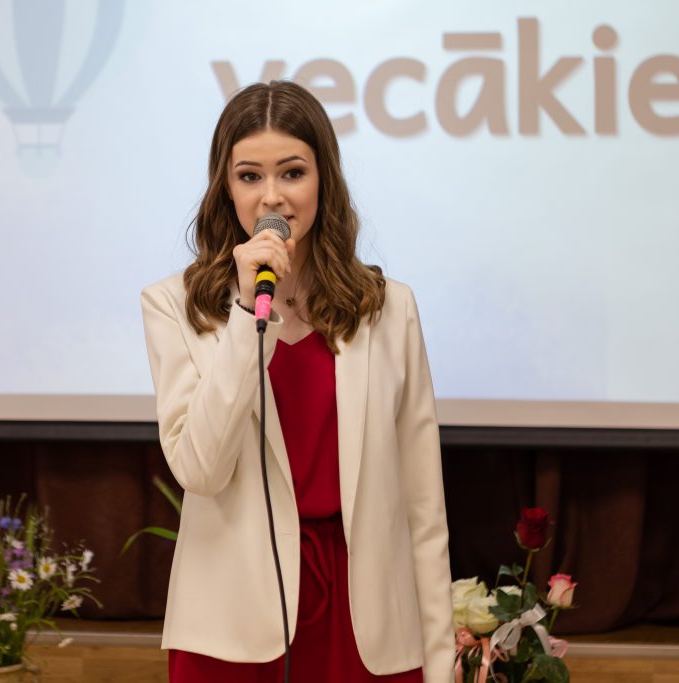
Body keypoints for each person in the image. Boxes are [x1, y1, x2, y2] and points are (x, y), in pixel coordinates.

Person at [141, 81, 454, 682]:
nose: (272, 196)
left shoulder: (389, 308)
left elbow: (423, 507)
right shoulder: (173, 306)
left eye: (292, 172)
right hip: (234, 621)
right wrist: (244, 314)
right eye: (249, 176)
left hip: (365, 617)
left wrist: (441, 666)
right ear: (225, 187)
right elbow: (200, 469)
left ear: (323, 180)